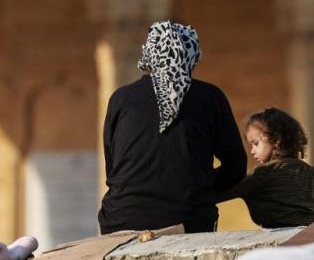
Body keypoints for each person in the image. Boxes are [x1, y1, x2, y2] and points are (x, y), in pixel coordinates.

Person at [98, 20, 247, 234]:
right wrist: (197, 187)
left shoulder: (121, 98)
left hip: (120, 220)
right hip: (187, 220)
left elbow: (113, 168)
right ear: (192, 57)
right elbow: (236, 166)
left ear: (149, 56)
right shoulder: (209, 97)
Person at [213, 107, 314, 228]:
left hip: (280, 238)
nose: (252, 151)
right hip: (312, 234)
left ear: (276, 140)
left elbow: (218, 193)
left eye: (255, 143)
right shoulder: (313, 173)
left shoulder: (261, 174)